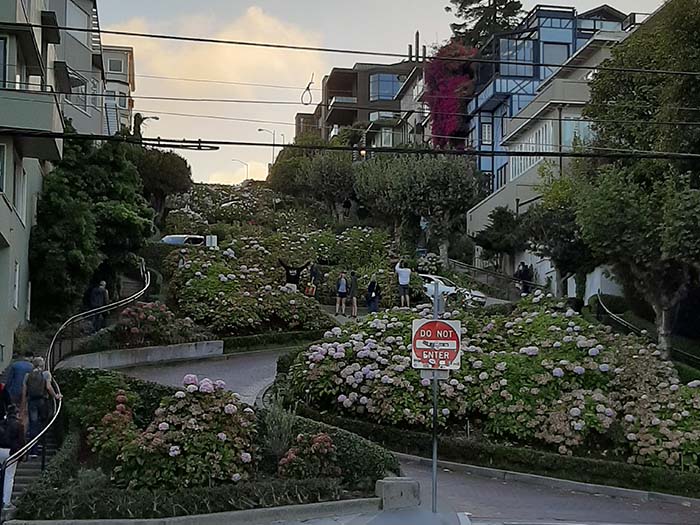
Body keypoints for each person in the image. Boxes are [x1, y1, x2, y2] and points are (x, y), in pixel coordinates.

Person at [22, 357, 61, 458]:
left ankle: (33, 450)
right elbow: (48, 387)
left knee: (33, 424)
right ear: (42, 365)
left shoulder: (27, 375)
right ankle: (42, 445)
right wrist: (56, 396)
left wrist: (23, 407)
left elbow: (24, 392)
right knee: (43, 422)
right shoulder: (46, 374)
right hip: (42, 401)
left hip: (31, 402)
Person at [0, 405, 26, 510]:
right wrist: (22, 456)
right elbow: (21, 442)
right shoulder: (19, 425)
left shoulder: (2, 423)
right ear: (16, 414)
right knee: (9, 477)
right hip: (11, 452)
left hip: (0, 449)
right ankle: (6, 502)